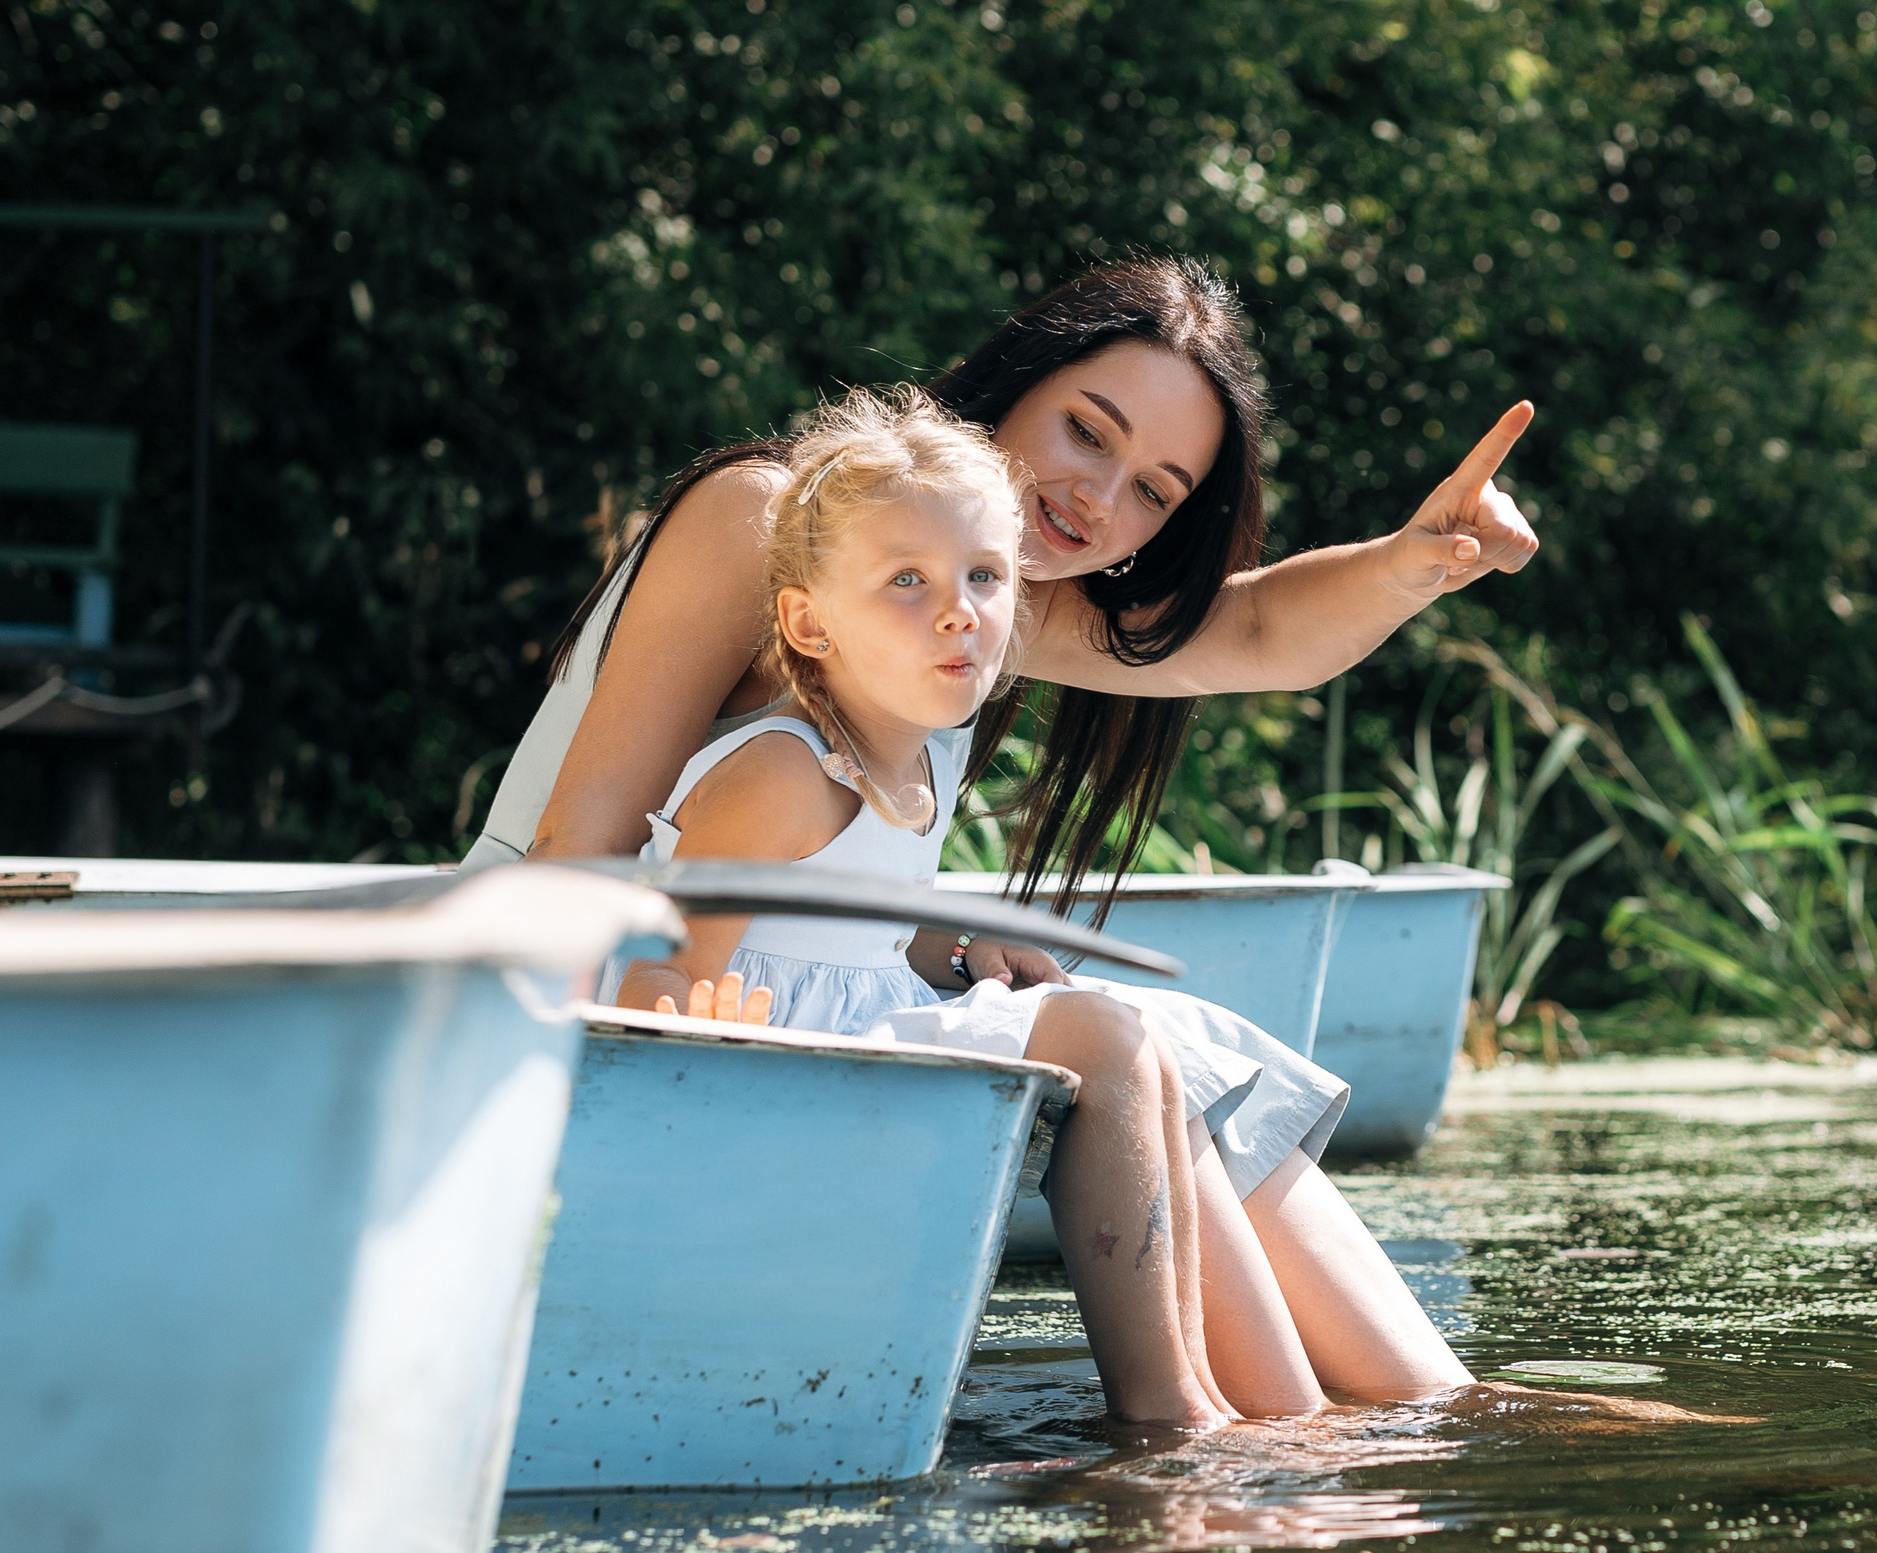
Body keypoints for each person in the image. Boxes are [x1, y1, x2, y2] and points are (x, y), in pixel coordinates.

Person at [469, 257, 1533, 1411]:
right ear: (1014, 383)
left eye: (1153, 492)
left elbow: (1257, 627)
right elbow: (589, 842)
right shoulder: (786, 528)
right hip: (572, 982)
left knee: (1163, 1033)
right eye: (1088, 432)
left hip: (766, 982)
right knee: (1112, 1034)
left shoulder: (968, 599)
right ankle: (1214, 1429)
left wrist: (1419, 560)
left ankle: (1427, 1407)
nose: (1098, 499)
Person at [621, 387, 1446, 1425]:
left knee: (1129, 1036)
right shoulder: (784, 772)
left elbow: (856, 921)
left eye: (984, 576)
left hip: (857, 1044)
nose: (959, 608)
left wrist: (961, 945)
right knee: (1097, 1033)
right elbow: (660, 954)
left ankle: (1255, 1403)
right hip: (786, 1073)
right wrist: (678, 1010)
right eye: (907, 581)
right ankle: (1170, 1409)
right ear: (807, 622)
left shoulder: (913, 763)